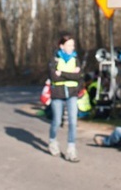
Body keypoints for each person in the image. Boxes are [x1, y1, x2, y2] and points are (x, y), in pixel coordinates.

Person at [48, 33, 81, 162]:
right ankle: (52, 141)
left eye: (73, 45)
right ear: (62, 46)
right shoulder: (54, 59)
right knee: (56, 121)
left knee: (73, 122)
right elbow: (54, 77)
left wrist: (62, 73)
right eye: (69, 45)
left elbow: (78, 76)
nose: (72, 47)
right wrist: (70, 74)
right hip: (58, 93)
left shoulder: (76, 59)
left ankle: (71, 149)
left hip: (72, 93)